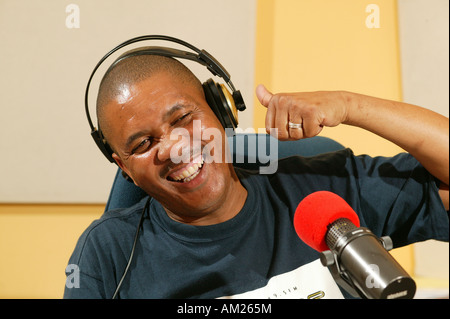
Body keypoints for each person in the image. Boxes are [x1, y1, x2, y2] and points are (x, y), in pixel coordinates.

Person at [64, 52, 449, 299]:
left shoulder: (325, 193)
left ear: (221, 111)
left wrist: (350, 105)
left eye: (183, 118)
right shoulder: (106, 254)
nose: (174, 147)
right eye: (144, 143)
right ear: (124, 167)